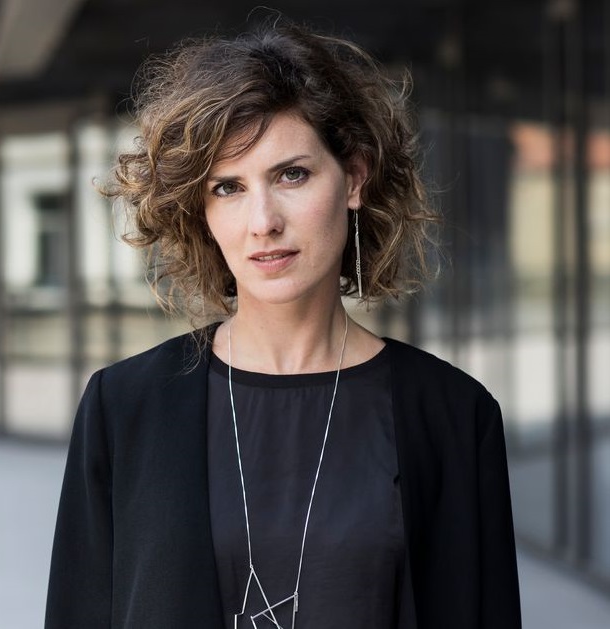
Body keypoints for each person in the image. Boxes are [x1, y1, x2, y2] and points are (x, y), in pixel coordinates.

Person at [45, 19, 521, 629]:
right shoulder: (124, 406)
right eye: (228, 187)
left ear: (354, 178)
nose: (262, 221)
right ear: (201, 209)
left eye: (291, 174)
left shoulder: (452, 414)